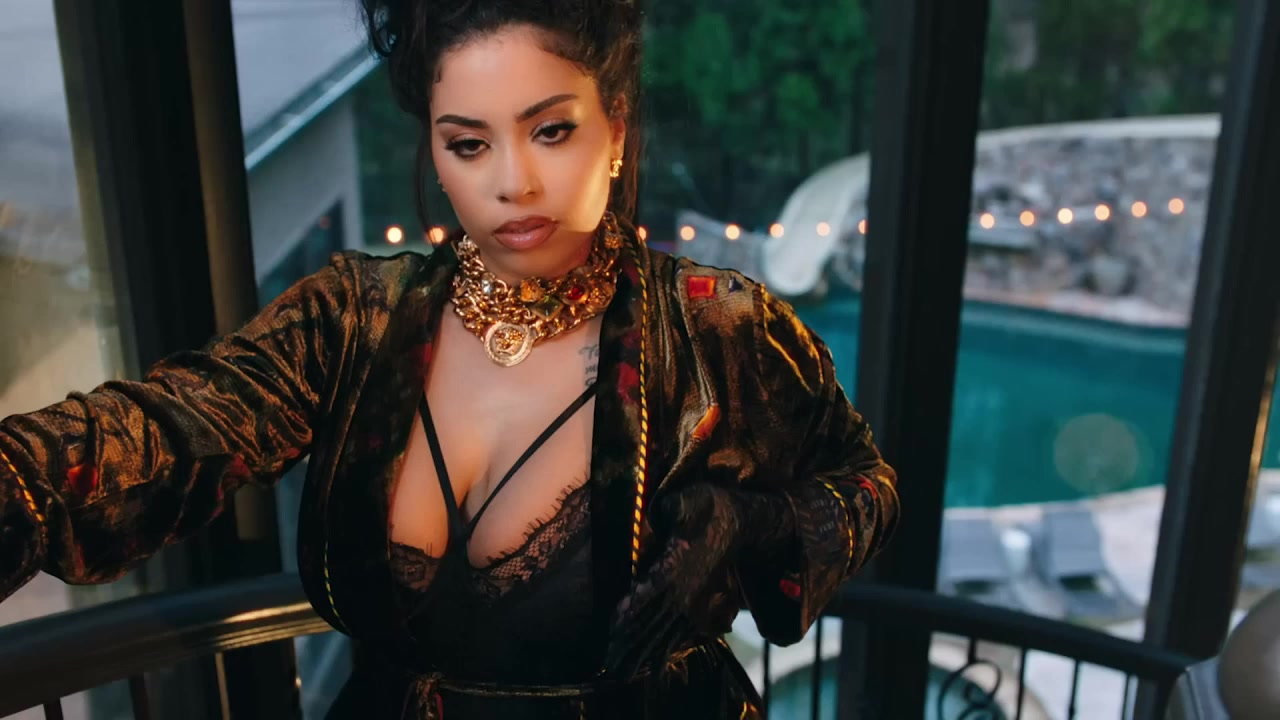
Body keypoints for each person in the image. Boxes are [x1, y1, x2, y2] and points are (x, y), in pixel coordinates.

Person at [0, 1, 899, 717]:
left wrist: (747, 530)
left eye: (551, 130)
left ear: (617, 131)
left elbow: (865, 487)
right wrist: (20, 477)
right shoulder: (356, 319)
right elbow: (177, 422)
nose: (513, 182)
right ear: (434, 149)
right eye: (469, 143)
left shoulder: (715, 327)